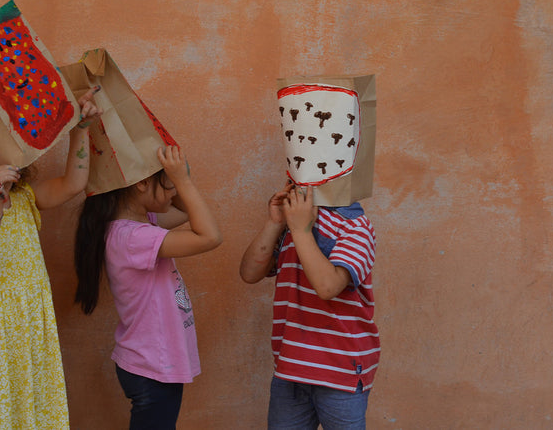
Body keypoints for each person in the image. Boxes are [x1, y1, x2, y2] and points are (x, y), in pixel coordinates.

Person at [0, 89, 101, 429]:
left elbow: (73, 183)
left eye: (3, 135)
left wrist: (80, 129)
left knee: (28, 412)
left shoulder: (24, 196)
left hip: (29, 324)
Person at [74, 145, 221, 430]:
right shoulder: (132, 237)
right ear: (141, 183)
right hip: (153, 366)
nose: (172, 192)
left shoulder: (138, 225)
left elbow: (188, 213)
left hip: (152, 363)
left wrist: (174, 179)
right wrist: (184, 181)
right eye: (167, 185)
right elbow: (210, 236)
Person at [239, 182, 379, 430]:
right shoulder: (292, 224)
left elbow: (328, 287)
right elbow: (249, 273)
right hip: (290, 368)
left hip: (340, 371)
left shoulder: (356, 226)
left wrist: (301, 230)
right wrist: (275, 223)